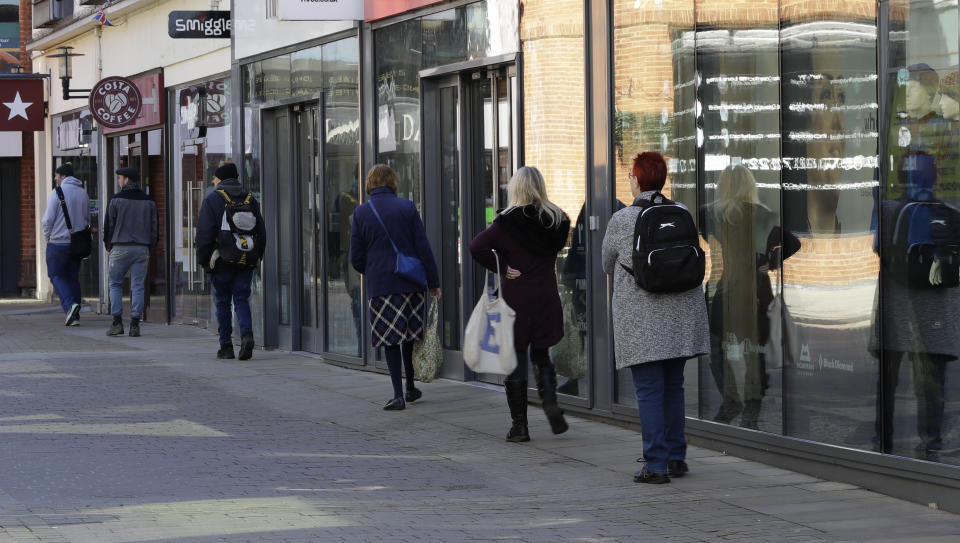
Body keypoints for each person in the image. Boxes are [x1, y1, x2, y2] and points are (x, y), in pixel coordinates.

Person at [601, 152, 709, 484]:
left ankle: (656, 464)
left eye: (632, 177)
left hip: (642, 319)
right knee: (673, 387)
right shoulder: (682, 212)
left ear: (636, 180)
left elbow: (607, 264)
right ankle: (677, 457)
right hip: (681, 315)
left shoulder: (621, 219)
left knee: (649, 390)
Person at [469, 166, 571, 442]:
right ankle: (550, 405)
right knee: (541, 353)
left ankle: (520, 426)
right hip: (546, 294)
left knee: (514, 359)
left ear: (516, 188)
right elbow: (557, 244)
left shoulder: (505, 223)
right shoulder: (557, 219)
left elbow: (475, 247)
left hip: (516, 298)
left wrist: (501, 266)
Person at [704, 165, 798, 429]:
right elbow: (793, 242)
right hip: (756, 289)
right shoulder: (763, 215)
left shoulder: (713, 214)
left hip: (725, 290)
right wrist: (770, 261)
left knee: (718, 348)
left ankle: (731, 399)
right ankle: (750, 412)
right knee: (752, 352)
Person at [350, 164, 441, 410]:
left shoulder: (361, 213)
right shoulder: (407, 207)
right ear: (392, 181)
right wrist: (434, 283)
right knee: (410, 336)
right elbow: (423, 248)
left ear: (369, 183)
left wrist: (373, 270)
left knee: (390, 339)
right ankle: (411, 387)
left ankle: (398, 394)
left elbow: (356, 257)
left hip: (382, 285)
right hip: (411, 283)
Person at [195, 162, 266, 360]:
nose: (213, 181)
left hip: (221, 259)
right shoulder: (250, 199)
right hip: (246, 257)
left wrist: (204, 261)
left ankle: (226, 346)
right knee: (242, 298)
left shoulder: (213, 200)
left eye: (215, 178)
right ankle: (247, 335)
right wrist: (256, 256)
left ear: (221, 179)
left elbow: (204, 233)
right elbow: (261, 231)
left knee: (223, 301)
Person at [102, 167, 158, 337]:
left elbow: (108, 225)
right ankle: (135, 324)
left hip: (120, 246)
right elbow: (154, 228)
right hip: (141, 248)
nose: (119, 181)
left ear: (126, 180)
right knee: (138, 286)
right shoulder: (149, 201)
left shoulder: (116, 200)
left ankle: (117, 322)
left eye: (120, 178)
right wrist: (150, 248)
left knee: (116, 284)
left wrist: (108, 245)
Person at [41, 162, 90, 326]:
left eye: (56, 175)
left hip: (58, 243)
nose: (55, 178)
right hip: (76, 244)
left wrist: (47, 237)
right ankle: (75, 316)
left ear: (63, 176)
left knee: (56, 275)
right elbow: (87, 219)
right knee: (72, 278)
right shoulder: (83, 193)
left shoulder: (57, 192)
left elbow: (48, 219)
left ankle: (70, 306)